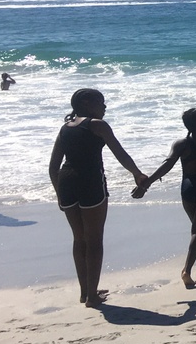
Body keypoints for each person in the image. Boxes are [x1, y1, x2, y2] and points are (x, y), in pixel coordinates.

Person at [47, 88, 148, 307]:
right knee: (94, 240)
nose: (104, 106)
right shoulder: (98, 125)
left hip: (66, 182)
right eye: (100, 102)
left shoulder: (65, 128)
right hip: (90, 181)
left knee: (79, 239)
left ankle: (85, 292)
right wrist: (137, 173)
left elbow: (53, 167)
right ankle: (92, 297)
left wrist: (59, 194)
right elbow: (120, 153)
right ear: (86, 103)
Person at [133, 107, 196, 288]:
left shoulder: (181, 144)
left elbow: (166, 165)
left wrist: (146, 183)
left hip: (187, 189)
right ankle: (186, 271)